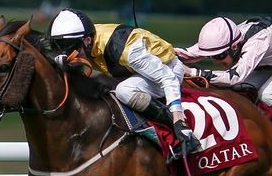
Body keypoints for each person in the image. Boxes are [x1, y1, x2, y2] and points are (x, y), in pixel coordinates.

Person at [48, 8, 201, 154]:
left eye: (71, 49)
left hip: (170, 71)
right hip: (137, 73)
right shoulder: (88, 40)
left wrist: (178, 119)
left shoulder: (127, 50)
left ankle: (178, 131)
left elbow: (167, 78)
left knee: (124, 90)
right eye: (62, 49)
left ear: (87, 40)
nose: (68, 56)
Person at [176, 16, 272, 123]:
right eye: (211, 56)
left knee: (268, 95)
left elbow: (234, 77)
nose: (215, 61)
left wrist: (192, 72)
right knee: (245, 89)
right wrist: (166, 52)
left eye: (219, 56)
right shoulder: (229, 39)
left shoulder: (257, 41)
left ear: (234, 47)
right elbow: (189, 53)